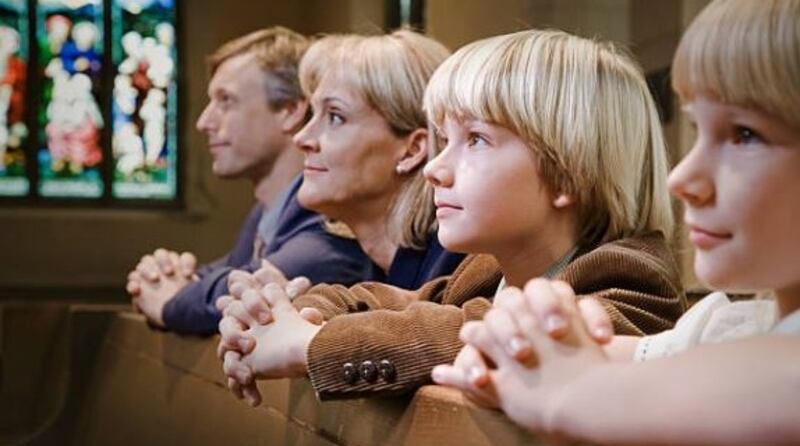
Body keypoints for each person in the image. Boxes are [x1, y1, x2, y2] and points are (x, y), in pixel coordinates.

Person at [217, 28, 686, 404]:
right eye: (444, 141)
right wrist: (288, 317)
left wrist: (306, 345)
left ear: (567, 175)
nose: (435, 169)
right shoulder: (485, 272)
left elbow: (470, 336)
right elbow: (381, 303)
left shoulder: (631, 280)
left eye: (475, 140)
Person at [435, 1, 800, 446]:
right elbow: (623, 359)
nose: (682, 177)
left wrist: (572, 390)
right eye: (696, 130)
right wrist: (520, 347)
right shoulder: (726, 329)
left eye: (745, 135)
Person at [126, 27, 373, 334]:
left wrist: (170, 301)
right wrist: (163, 276)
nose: (204, 122)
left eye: (226, 101)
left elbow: (250, 287)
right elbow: (228, 271)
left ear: (289, 110)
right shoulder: (266, 211)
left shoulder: (329, 212)